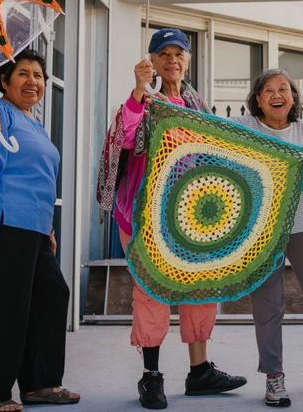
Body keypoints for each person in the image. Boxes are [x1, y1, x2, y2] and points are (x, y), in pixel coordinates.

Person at [96, 28, 246, 410]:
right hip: (148, 216)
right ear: (153, 62)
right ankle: (151, 376)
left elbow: (219, 148)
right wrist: (137, 91)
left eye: (179, 53)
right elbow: (126, 138)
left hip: (193, 217)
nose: (172, 60)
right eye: (164, 54)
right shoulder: (143, 102)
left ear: (188, 60)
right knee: (152, 292)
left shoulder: (197, 103)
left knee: (200, 288)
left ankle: (200, 371)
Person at [0, 49, 79, 412]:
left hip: (33, 227)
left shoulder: (33, 122)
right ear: (4, 81)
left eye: (39, 76)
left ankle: (39, 384)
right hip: (3, 223)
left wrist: (48, 228)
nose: (33, 82)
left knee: (52, 295)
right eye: (23, 75)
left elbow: (41, 179)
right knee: (6, 308)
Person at [233, 69, 303, 408]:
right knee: (268, 303)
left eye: (284, 89)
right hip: (261, 228)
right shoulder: (247, 128)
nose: (277, 95)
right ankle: (274, 378)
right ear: (258, 99)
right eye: (268, 90)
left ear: (292, 97)